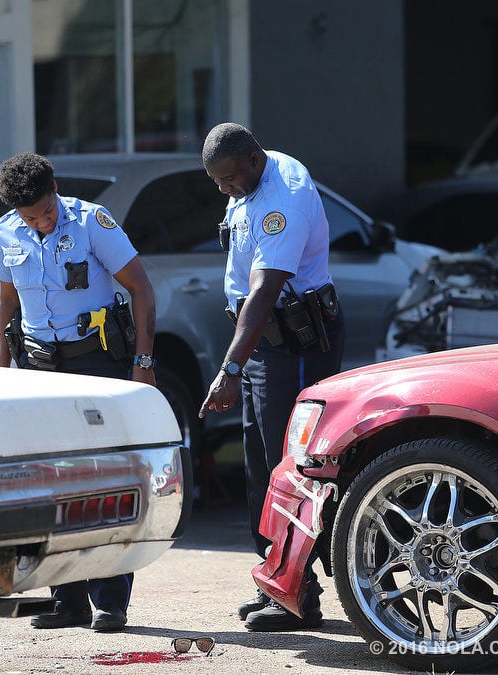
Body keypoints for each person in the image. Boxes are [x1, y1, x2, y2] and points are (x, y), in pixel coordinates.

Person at [0, 152, 157, 632]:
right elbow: (6, 302)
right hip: (41, 366)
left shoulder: (91, 223)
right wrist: (2, 370)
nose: (40, 223)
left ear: (55, 188)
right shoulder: (5, 232)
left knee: (105, 478)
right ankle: (67, 600)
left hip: (96, 360)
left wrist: (143, 363)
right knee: (55, 481)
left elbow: (141, 289)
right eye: (30, 217)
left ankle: (110, 600)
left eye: (45, 211)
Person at [198, 123, 345, 632]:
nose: (223, 189)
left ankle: (301, 593)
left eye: (228, 179)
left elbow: (264, 293)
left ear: (254, 160)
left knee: (295, 470)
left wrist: (230, 368)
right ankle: (276, 583)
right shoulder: (250, 178)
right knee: (260, 468)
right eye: (216, 181)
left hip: (296, 342)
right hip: (265, 340)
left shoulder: (285, 197)